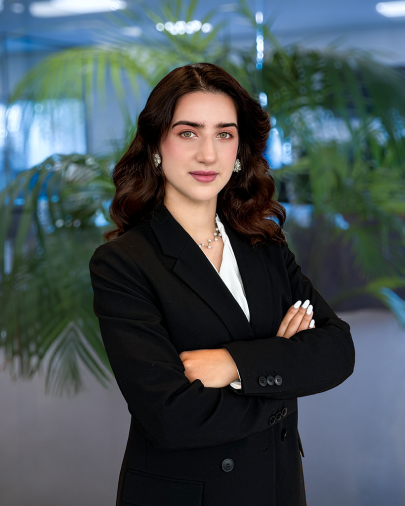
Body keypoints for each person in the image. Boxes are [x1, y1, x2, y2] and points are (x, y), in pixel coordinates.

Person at [89, 62, 355, 506]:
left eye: (224, 134)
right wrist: (281, 370)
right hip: (190, 495)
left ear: (239, 152)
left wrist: (232, 365)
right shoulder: (124, 263)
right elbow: (172, 416)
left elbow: (337, 350)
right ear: (156, 147)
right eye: (188, 133)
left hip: (277, 485)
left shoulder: (264, 246)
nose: (208, 155)